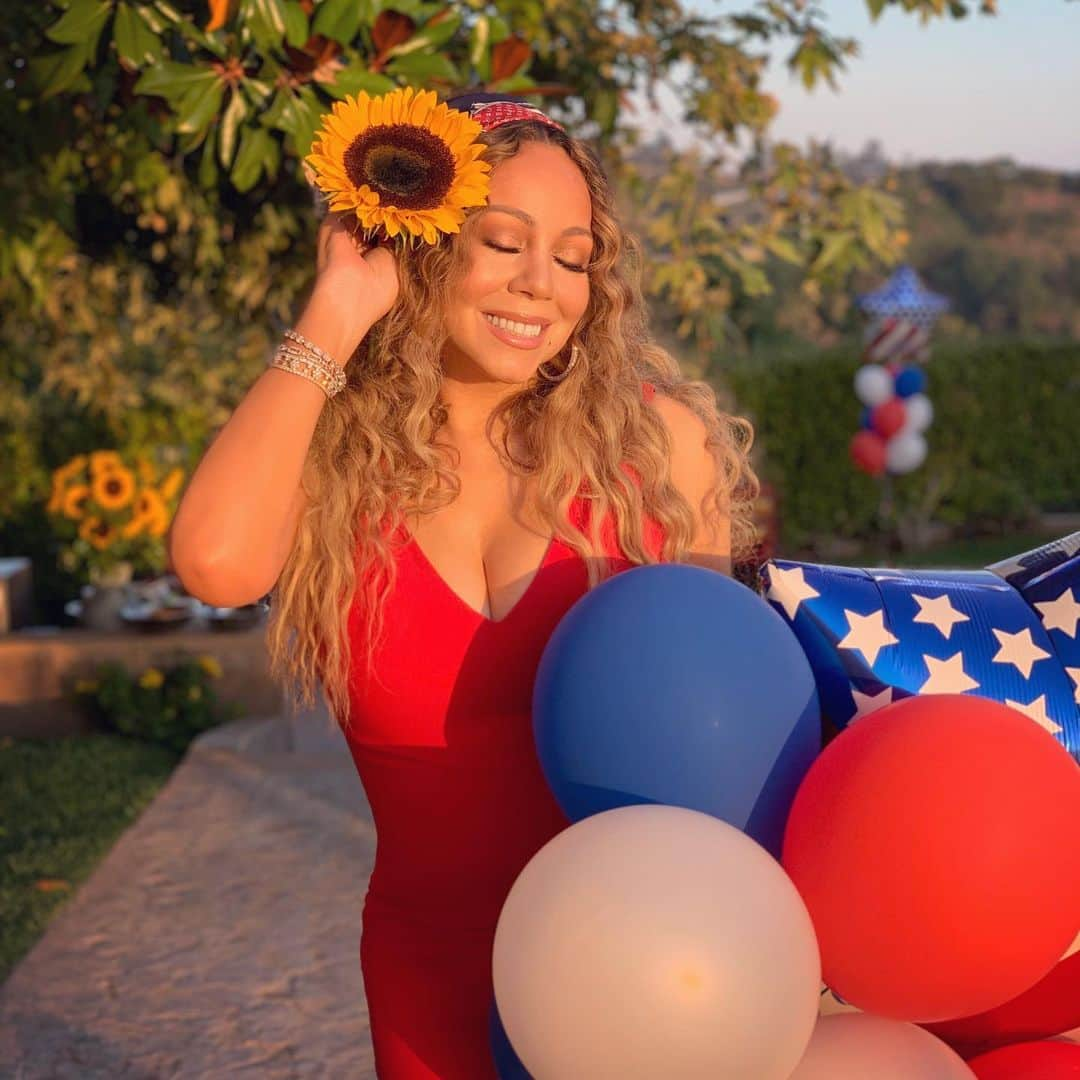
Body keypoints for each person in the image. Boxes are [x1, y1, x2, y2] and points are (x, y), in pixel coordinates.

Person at [169, 89, 759, 1079]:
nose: (542, 285)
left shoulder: (661, 453)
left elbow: (737, 732)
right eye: (501, 241)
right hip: (428, 981)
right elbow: (215, 564)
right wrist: (340, 306)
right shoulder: (326, 466)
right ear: (426, 244)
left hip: (649, 976)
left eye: (574, 258)